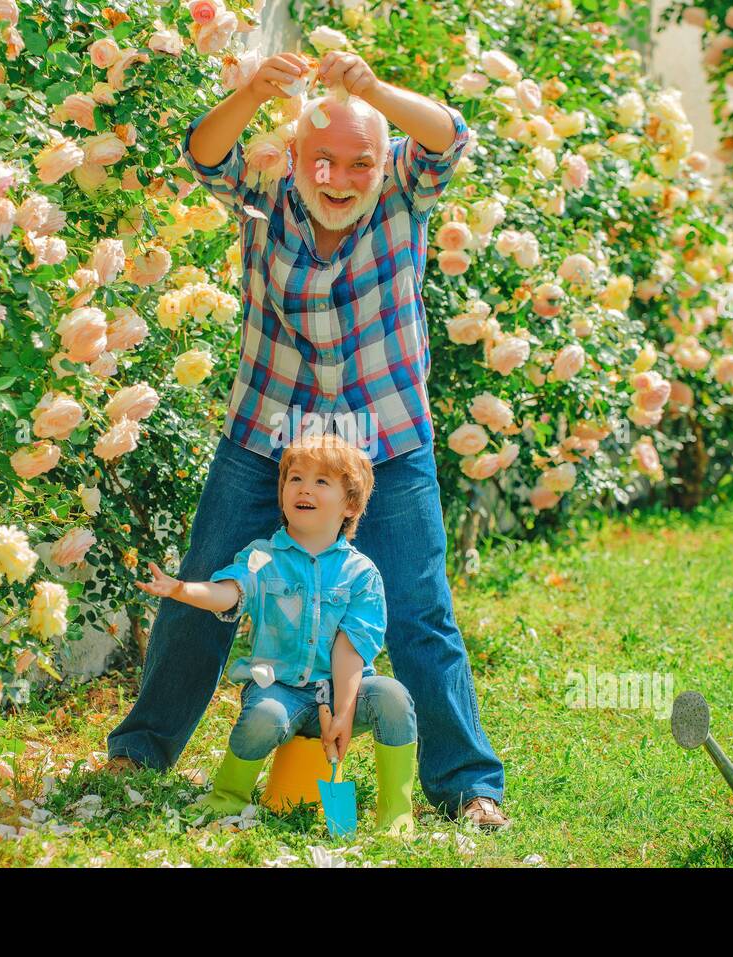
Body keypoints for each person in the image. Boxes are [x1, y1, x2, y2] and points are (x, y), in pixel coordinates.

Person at [108, 48, 507, 827]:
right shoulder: (263, 189)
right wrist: (255, 90)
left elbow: (450, 137)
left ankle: (469, 784)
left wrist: (375, 92)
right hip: (270, 429)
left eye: (359, 162)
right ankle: (143, 746)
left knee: (421, 608)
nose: (340, 177)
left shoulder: (399, 187)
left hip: (383, 436)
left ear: (379, 161)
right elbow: (203, 151)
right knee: (206, 587)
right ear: (293, 158)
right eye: (321, 159)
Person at [136, 434, 417, 833]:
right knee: (264, 716)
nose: (304, 487)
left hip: (339, 688)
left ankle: (396, 815)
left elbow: (350, 648)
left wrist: (343, 714)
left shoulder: (361, 575)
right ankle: (227, 796)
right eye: (295, 479)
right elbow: (229, 591)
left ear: (350, 504)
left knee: (393, 697)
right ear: (283, 493)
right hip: (279, 688)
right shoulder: (262, 555)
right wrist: (182, 589)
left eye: (322, 482)